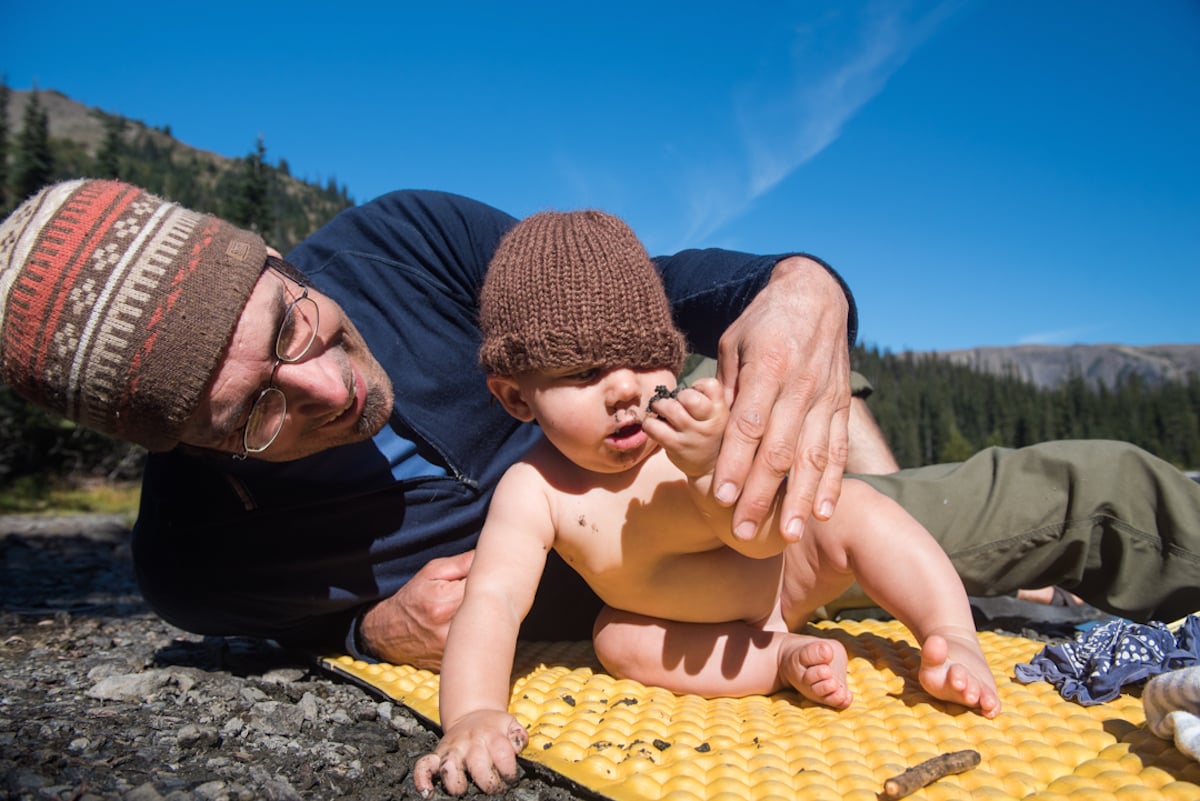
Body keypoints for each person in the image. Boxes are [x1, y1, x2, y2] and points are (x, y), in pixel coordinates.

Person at [0, 179, 1197, 672]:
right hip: (620, 613)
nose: (325, 390)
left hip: (724, 522)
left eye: (293, 326)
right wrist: (372, 627)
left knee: (1090, 486)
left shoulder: (404, 239)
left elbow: (618, 293)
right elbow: (306, 634)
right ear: (173, 448)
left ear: (270, 254)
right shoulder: (190, 567)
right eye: (251, 412)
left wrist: (801, 285)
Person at [413, 210, 1000, 796]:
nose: (624, 389)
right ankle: (777, 660)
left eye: (645, 358)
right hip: (684, 632)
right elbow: (491, 599)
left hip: (789, 572)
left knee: (858, 509)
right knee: (616, 640)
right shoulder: (534, 488)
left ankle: (952, 634)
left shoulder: (695, 424)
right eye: (585, 371)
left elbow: (765, 536)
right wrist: (471, 715)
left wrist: (708, 465)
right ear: (517, 397)